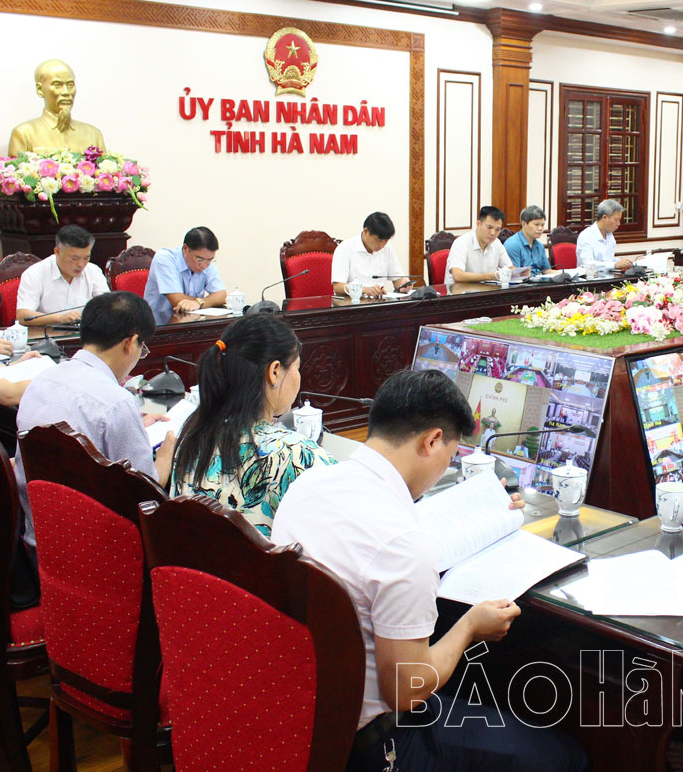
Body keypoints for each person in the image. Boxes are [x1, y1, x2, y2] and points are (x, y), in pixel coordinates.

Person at [271, 370, 588, 772]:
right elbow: (406, 691)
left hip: (304, 712)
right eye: (451, 456)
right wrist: (470, 626)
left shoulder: (309, 485)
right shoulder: (403, 545)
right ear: (433, 440)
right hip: (375, 745)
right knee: (564, 757)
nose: (445, 466)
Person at [15, 291, 176, 548]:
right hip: (100, 551)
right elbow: (146, 494)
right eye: (142, 347)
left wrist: (133, 425)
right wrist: (167, 454)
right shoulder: (116, 404)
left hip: (40, 539)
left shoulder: (42, 381)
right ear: (130, 343)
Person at [171, 315, 335, 537]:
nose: (299, 377)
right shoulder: (296, 453)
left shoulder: (192, 437)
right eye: (297, 367)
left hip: (198, 559)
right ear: (274, 371)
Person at [15, 224, 109, 326]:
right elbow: (23, 316)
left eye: (86, 258)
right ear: (57, 252)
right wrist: (59, 318)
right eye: (75, 258)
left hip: (85, 333)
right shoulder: (35, 274)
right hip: (46, 334)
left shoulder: (93, 271)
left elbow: (107, 308)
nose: (81, 264)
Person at [8, 59, 105, 156]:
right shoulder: (24, 134)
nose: (66, 92)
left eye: (70, 85)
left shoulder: (93, 135)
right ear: (40, 89)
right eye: (57, 85)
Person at [143, 226, 226, 322]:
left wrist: (199, 303)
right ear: (185, 248)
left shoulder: (207, 261)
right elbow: (177, 300)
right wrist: (208, 301)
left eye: (210, 259)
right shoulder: (165, 259)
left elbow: (222, 295)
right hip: (159, 326)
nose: (204, 265)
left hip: (190, 324)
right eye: (200, 259)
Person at [331, 212, 411, 298]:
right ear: (366, 231)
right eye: (379, 240)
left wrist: (403, 284)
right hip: (352, 303)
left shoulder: (387, 248)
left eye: (386, 241)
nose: (382, 245)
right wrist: (365, 290)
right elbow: (338, 287)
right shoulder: (345, 248)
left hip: (379, 302)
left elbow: (397, 279)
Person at [445, 205, 521, 284]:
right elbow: (458, 276)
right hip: (460, 291)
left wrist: (521, 274)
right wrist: (490, 276)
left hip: (488, 290)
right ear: (478, 224)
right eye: (489, 227)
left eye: (497, 230)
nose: (493, 233)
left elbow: (510, 268)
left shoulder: (496, 243)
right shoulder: (461, 243)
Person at [576, 200, 633, 271]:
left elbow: (608, 260)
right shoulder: (586, 236)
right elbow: (588, 265)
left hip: (607, 275)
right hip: (590, 276)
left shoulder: (609, 235)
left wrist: (626, 262)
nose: (618, 224)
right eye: (616, 220)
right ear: (604, 217)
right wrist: (614, 265)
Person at [504, 205, 553, 275]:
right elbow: (514, 274)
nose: (540, 228)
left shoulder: (540, 246)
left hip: (540, 281)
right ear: (524, 224)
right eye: (536, 224)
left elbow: (547, 271)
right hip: (523, 281)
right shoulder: (512, 244)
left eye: (542, 225)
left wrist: (564, 273)